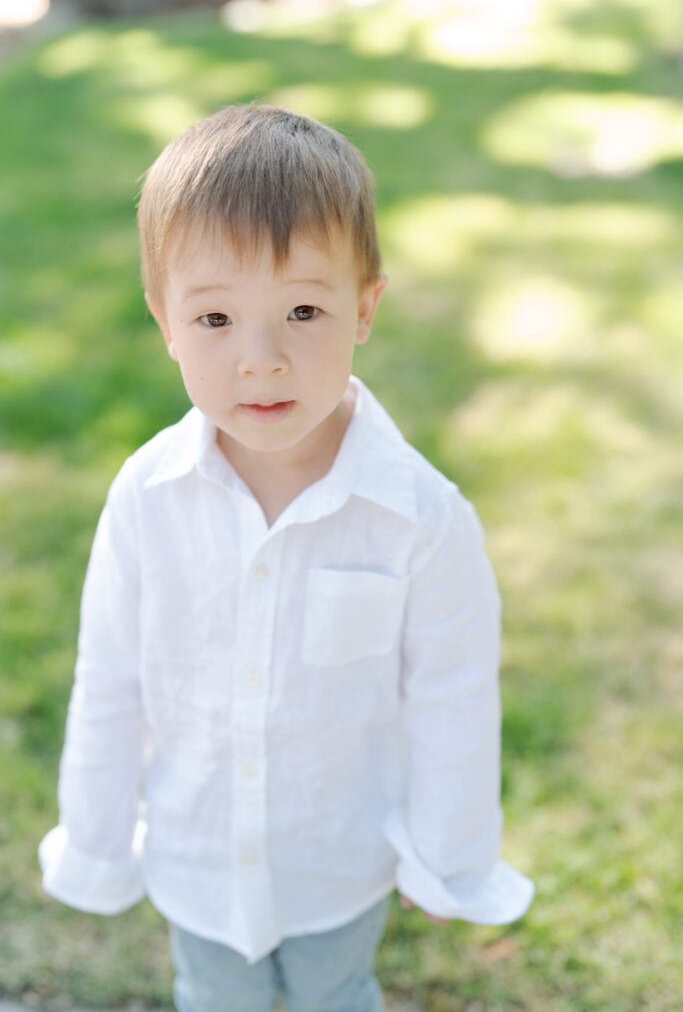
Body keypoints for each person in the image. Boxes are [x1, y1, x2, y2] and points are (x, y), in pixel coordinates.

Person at [38, 103, 533, 1012]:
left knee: (334, 994)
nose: (260, 361)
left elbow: (452, 696)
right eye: (216, 318)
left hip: (333, 861)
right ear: (165, 324)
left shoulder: (419, 517)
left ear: (366, 307)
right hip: (195, 855)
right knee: (213, 995)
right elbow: (110, 676)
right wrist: (98, 838)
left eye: (303, 310)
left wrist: (450, 855)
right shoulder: (146, 500)